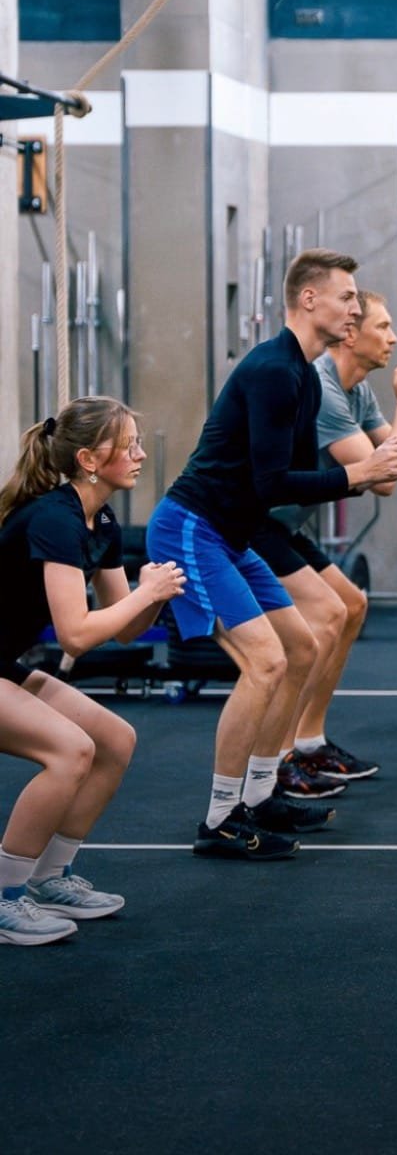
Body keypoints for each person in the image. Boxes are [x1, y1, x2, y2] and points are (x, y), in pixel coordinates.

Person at [146, 249, 397, 861]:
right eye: (347, 296)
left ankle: (263, 792)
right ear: (309, 299)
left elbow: (279, 480)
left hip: (233, 534)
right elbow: (273, 484)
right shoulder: (274, 369)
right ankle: (220, 818)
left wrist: (374, 461)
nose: (356, 306)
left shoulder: (303, 372)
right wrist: (359, 474)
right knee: (265, 662)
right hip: (192, 528)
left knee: (302, 647)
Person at [0, 398, 185, 945]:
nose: (140, 455)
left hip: (4, 664)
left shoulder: (99, 518)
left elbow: (124, 629)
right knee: (71, 750)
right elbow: (77, 635)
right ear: (87, 458)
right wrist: (145, 594)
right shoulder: (55, 519)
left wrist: (154, 594)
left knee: (114, 739)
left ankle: (48, 879)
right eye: (128, 445)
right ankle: (6, 896)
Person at [251, 289, 397, 799]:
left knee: (351, 605)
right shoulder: (326, 390)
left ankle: (309, 742)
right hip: (255, 521)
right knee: (327, 616)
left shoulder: (358, 391)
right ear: (350, 334)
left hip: (287, 523)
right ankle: (279, 758)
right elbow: (379, 477)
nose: (393, 338)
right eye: (383, 327)